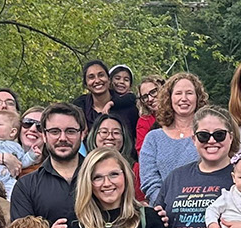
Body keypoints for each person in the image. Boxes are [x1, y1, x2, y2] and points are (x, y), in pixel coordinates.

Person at [139, 73, 208, 205]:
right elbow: (149, 180)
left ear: (198, 97)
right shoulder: (153, 138)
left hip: (204, 209)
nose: (183, 98)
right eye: (178, 93)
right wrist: (166, 204)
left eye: (189, 93)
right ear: (169, 98)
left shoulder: (209, 135)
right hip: (164, 211)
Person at [12, 103, 86, 224]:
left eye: (70, 131)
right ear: (45, 136)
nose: (62, 138)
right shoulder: (26, 186)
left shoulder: (100, 177)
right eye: (54, 131)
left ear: (82, 134)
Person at [71, 60, 140, 151]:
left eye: (101, 75)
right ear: (86, 84)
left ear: (108, 78)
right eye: (91, 77)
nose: (97, 80)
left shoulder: (127, 107)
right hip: (89, 162)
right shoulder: (81, 107)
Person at [134, 76, 163, 153]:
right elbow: (142, 152)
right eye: (145, 97)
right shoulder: (144, 121)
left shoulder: (178, 111)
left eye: (153, 92)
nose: (150, 99)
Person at [19, 106, 47, 178]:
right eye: (27, 123)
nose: (33, 129)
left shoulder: (52, 168)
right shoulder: (0, 158)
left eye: (40, 126)